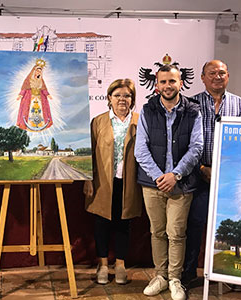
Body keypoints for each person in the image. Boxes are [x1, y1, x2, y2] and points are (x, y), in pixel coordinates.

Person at [134, 64, 203, 300]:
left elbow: (196, 148)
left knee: (176, 233)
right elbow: (140, 149)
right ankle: (160, 276)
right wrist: (158, 176)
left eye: (172, 81)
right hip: (152, 184)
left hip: (181, 185)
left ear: (180, 83)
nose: (167, 86)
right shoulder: (147, 109)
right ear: (157, 85)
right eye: (163, 82)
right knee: (157, 232)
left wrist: (175, 174)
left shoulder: (193, 111)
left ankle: (175, 279)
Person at [182, 60, 241, 286]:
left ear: (228, 76)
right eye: (212, 73)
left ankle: (230, 275)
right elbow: (184, 143)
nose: (217, 77)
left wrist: (228, 170)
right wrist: (202, 168)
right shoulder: (190, 104)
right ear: (202, 78)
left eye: (222, 73)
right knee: (196, 223)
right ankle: (190, 272)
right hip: (199, 175)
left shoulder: (240, 105)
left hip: (229, 177)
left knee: (229, 226)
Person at [83, 79, 142, 285]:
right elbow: (88, 154)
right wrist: (88, 179)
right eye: (117, 95)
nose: (122, 99)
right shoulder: (98, 121)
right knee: (101, 223)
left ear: (132, 99)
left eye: (127, 96)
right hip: (102, 182)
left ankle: (120, 265)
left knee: (123, 223)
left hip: (128, 182)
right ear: (109, 98)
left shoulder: (139, 121)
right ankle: (103, 265)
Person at [16, 58, 53, 132]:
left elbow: (44, 89)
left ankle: (41, 125)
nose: (39, 72)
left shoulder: (40, 80)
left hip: (39, 98)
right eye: (37, 70)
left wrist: (48, 95)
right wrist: (20, 95)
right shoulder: (29, 79)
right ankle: (28, 125)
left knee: (41, 112)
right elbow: (24, 88)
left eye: (40, 71)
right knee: (29, 112)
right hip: (30, 98)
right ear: (34, 71)